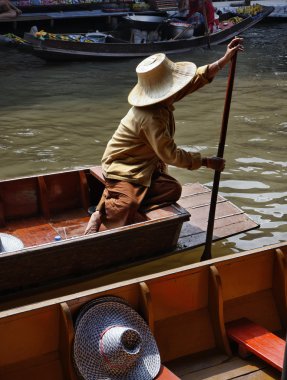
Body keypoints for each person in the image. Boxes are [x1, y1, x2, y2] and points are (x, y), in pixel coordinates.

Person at [85, 37, 244, 235]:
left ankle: (129, 198)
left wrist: (224, 60)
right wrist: (206, 162)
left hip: (144, 165)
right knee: (127, 206)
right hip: (123, 167)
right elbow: (171, 155)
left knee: (172, 189)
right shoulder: (151, 117)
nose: (178, 90)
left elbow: (195, 80)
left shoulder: (162, 100)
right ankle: (101, 215)